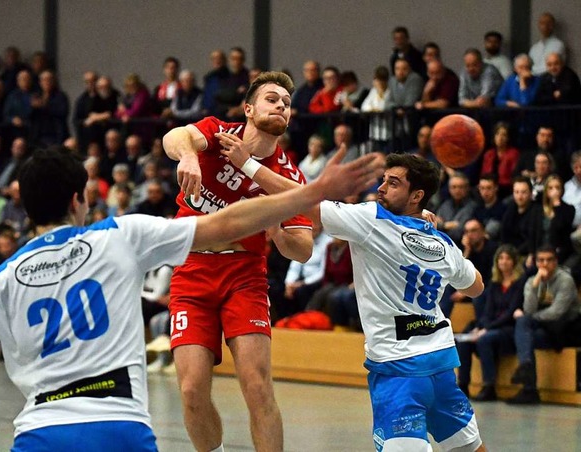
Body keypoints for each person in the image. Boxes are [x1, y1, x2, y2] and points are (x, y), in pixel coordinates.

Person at [0, 143, 375, 450]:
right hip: (120, 430)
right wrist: (312, 191)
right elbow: (224, 225)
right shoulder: (119, 235)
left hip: (40, 432)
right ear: (79, 200)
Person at [220, 149, 486, 451]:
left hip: (398, 370)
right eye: (383, 180)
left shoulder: (372, 219)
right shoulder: (443, 242)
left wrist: (246, 163)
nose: (381, 188)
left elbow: (304, 198)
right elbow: (476, 286)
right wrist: (425, 231)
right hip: (441, 364)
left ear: (417, 196)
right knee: (469, 448)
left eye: (394, 183)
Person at [162, 71, 315, 452]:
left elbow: (304, 248)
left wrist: (278, 230)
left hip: (243, 276)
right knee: (191, 390)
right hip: (191, 271)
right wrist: (189, 157)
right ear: (249, 108)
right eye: (271, 98)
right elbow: (173, 136)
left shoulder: (286, 175)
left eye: (286, 102)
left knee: (258, 386)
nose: (281, 105)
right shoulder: (218, 134)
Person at [508, 245, 580, 404]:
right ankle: (528, 381)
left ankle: (529, 389)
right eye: (541, 260)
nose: (545, 264)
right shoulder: (531, 281)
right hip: (542, 329)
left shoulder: (565, 280)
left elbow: (556, 313)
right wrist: (535, 285)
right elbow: (529, 308)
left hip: (564, 330)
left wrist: (530, 317)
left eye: (549, 260)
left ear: (556, 262)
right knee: (527, 334)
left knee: (523, 325)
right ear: (536, 262)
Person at [456, 244, 525, 401]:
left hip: (508, 328)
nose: (504, 262)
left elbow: (510, 313)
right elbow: (487, 311)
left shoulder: (520, 283)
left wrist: (486, 329)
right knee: (464, 340)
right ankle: (463, 385)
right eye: (501, 258)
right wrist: (480, 327)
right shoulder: (494, 284)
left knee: (484, 339)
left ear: (514, 261)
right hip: (490, 326)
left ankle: (489, 386)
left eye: (507, 258)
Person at [479, 121, 520, 199]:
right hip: (489, 187)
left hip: (505, 188)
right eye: (497, 134)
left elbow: (514, 176)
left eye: (503, 135)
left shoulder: (513, 153)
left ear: (508, 138)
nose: (500, 138)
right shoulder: (489, 154)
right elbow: (484, 174)